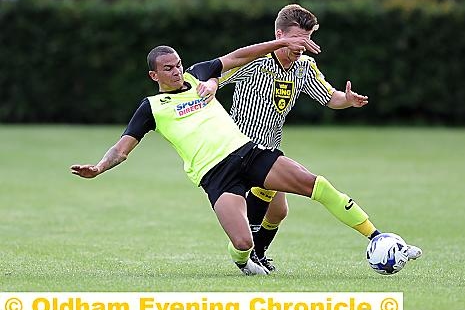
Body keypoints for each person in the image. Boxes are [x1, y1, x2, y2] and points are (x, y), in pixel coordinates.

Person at [71, 38, 422, 275]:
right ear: (154, 75)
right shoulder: (151, 108)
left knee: (315, 184)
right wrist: (100, 167)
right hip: (215, 176)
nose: (177, 71)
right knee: (241, 242)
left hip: (247, 152)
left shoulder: (200, 75)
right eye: (168, 69)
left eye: (178, 65)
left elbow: (241, 55)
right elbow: (122, 147)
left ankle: (378, 236)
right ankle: (244, 261)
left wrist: (282, 42)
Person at [210, 4, 370, 271]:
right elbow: (216, 76)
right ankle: (247, 254)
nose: (301, 47)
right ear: (278, 34)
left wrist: (347, 100)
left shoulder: (305, 66)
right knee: (265, 196)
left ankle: (256, 253)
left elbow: (330, 97)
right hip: (239, 150)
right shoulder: (256, 61)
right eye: (296, 40)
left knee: (279, 212)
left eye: (306, 41)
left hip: (270, 149)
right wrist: (208, 91)